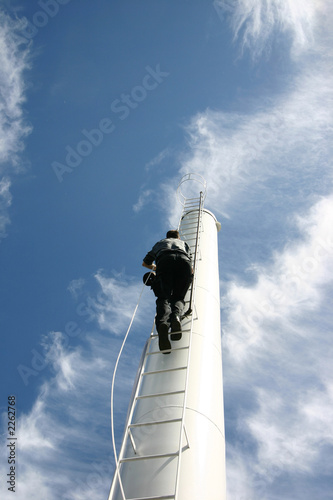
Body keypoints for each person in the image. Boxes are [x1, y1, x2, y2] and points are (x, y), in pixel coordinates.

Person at [142, 230, 193, 353]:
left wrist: (156, 268)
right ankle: (176, 316)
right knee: (178, 297)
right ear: (178, 237)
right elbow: (191, 268)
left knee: (163, 297)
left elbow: (145, 263)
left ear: (167, 236)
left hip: (165, 261)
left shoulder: (160, 243)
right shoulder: (184, 244)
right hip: (184, 262)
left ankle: (163, 324)